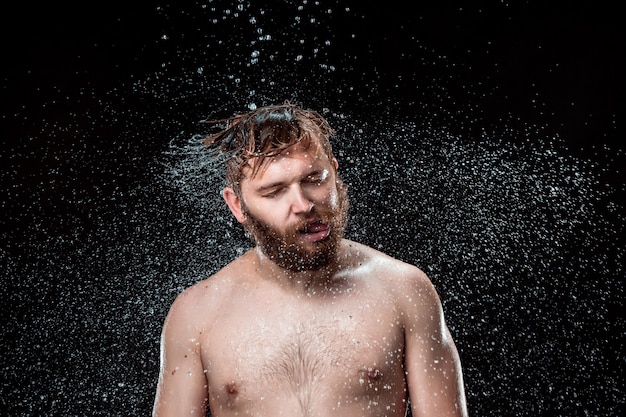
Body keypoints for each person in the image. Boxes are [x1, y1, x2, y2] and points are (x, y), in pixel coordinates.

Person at [152, 102, 468, 417]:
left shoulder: (404, 291)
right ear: (237, 205)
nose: (303, 204)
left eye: (315, 179)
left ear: (334, 171)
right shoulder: (197, 315)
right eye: (274, 191)